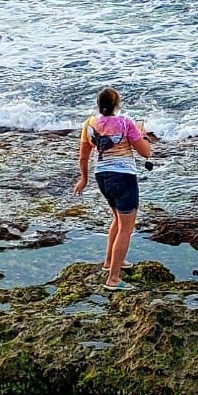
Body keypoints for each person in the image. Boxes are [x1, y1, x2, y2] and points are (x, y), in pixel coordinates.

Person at [73, 87, 151, 291]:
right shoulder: (126, 123)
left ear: (99, 104)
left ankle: (110, 262)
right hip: (124, 177)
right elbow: (145, 153)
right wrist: (144, 136)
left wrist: (84, 178)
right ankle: (113, 279)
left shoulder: (89, 124)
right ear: (117, 104)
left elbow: (83, 156)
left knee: (117, 219)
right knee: (126, 228)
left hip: (102, 178)